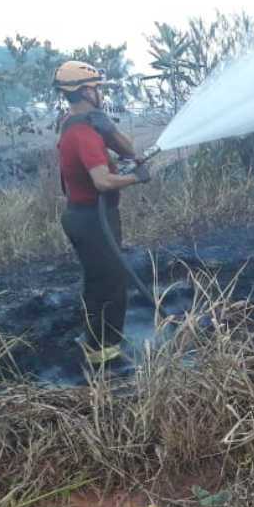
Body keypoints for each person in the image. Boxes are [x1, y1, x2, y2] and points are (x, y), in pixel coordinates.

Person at [53, 60, 150, 367]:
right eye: (97, 88)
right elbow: (103, 181)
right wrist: (137, 178)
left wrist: (109, 128)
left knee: (101, 280)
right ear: (84, 91)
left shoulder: (89, 123)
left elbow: (131, 152)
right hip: (91, 219)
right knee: (109, 285)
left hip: (91, 217)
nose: (102, 93)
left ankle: (98, 346)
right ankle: (105, 356)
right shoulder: (82, 133)